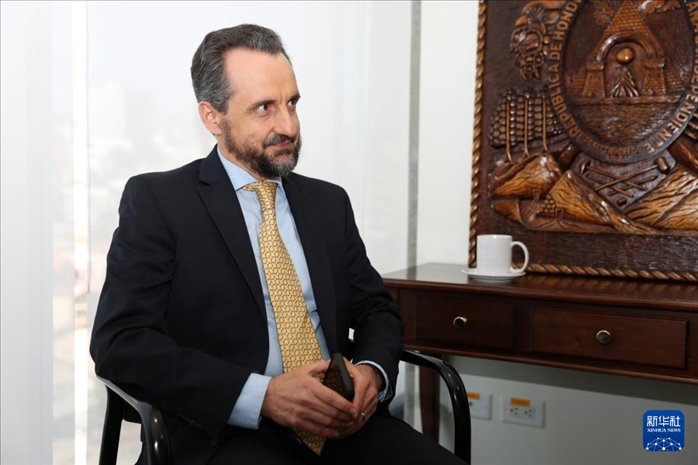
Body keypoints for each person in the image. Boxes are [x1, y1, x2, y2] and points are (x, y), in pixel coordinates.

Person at [90, 23, 467, 465]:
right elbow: (120, 343)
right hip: (225, 433)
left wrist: (372, 373)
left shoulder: (329, 203)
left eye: (292, 103)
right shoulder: (160, 202)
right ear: (213, 117)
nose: (288, 125)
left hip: (342, 423)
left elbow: (375, 309)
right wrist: (263, 395)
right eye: (264, 108)